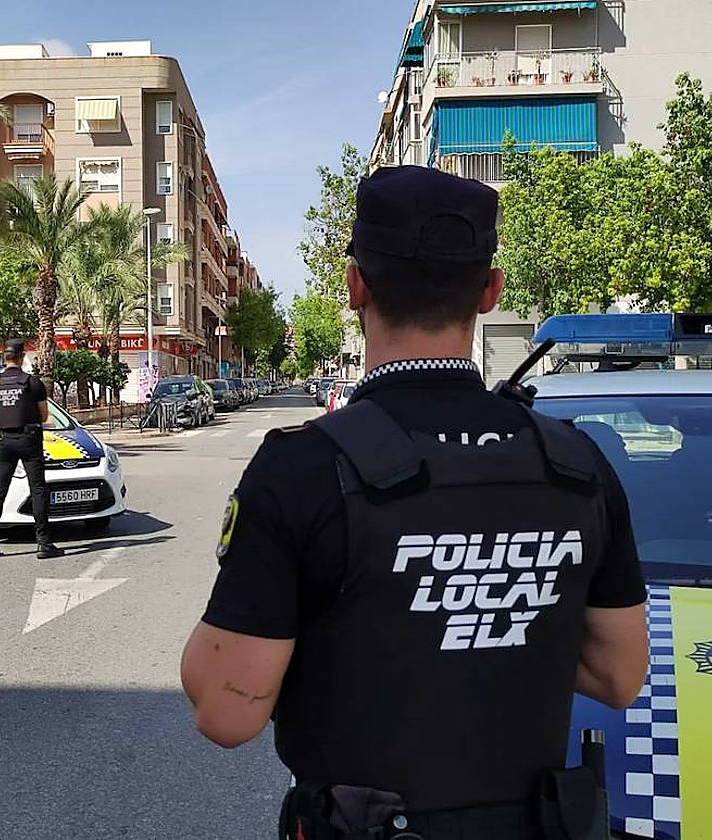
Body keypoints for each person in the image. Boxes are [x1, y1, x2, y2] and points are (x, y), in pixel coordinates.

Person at [181, 166, 649, 839]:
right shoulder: (577, 464)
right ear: (490, 291)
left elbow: (227, 713)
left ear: (355, 286)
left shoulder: (302, 469)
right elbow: (619, 676)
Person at [0, 339, 64, 560]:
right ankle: (43, 543)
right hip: (29, 440)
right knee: (38, 490)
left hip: (5, 441)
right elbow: (44, 415)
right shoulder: (32, 383)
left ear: (4, 357)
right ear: (22, 356)